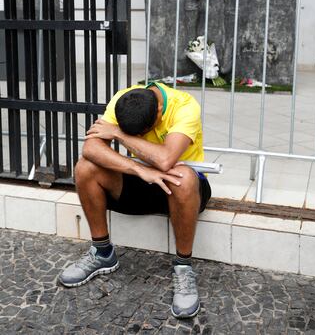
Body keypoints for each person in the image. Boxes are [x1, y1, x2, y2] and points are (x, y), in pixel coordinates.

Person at [59, 81, 211, 319]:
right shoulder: (123, 100)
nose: (138, 139)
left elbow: (165, 160)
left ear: (159, 111)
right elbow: (90, 148)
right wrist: (140, 170)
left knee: (183, 177)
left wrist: (119, 133)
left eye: (141, 133)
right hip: (142, 182)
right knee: (85, 167)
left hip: (184, 188)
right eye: (132, 134)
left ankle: (183, 267)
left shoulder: (184, 106)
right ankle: (102, 253)